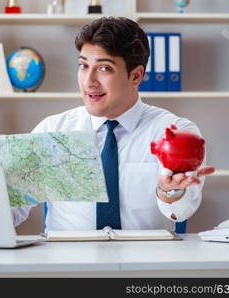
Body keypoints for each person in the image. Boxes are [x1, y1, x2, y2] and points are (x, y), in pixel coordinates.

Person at [12, 17, 215, 231]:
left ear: (136, 76)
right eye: (83, 66)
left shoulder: (176, 133)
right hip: (69, 261)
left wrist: (169, 192)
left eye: (104, 69)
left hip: (145, 260)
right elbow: (12, 210)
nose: (89, 81)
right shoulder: (52, 131)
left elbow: (181, 212)